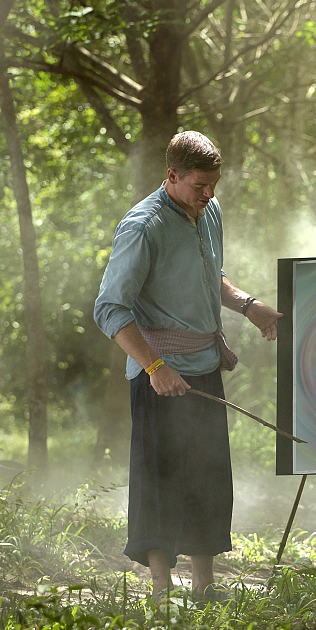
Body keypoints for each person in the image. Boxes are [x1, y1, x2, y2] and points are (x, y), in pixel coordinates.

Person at [94, 131, 281, 601]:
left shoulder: (208, 211)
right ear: (172, 175)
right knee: (161, 475)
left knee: (209, 472)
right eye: (199, 185)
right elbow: (111, 309)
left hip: (203, 364)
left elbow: (208, 271)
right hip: (158, 372)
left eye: (214, 184)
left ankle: (203, 585)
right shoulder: (142, 226)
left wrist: (248, 305)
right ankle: (160, 588)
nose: (209, 194)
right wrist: (155, 366)